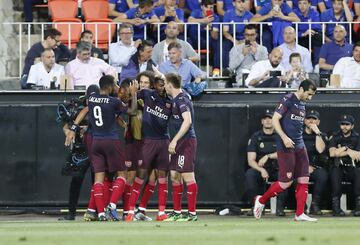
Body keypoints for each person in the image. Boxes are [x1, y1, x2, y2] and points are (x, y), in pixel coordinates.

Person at [65, 75, 138, 221]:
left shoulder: (92, 100)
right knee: (122, 174)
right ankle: (111, 206)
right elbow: (132, 111)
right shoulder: (114, 101)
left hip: (96, 142)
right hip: (111, 141)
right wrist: (134, 94)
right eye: (115, 84)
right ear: (111, 86)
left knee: (98, 178)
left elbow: (85, 110)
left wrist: (73, 128)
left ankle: (100, 213)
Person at [253, 79, 318, 222]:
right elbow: (275, 119)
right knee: (285, 183)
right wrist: (284, 138)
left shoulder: (303, 103)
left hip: (299, 146)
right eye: (309, 94)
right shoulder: (287, 99)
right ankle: (261, 200)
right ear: (301, 89)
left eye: (312, 95)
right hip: (285, 146)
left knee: (304, 179)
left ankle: (299, 214)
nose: (310, 98)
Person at [125, 76, 173, 222]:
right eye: (159, 85)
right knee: (141, 175)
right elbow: (131, 110)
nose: (162, 87)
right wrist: (133, 93)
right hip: (149, 141)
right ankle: (130, 212)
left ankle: (161, 213)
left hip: (164, 141)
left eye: (164, 85)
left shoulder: (171, 101)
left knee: (162, 176)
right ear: (154, 86)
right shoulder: (147, 94)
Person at [58, 85, 100, 221]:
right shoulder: (77, 107)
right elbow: (65, 126)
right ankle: (71, 213)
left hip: (96, 148)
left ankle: (99, 212)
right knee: (76, 180)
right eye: (89, 99)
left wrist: (85, 129)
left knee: (97, 182)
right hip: (80, 149)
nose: (91, 101)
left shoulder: (103, 107)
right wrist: (71, 132)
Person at [163, 73, 198, 221]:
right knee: (174, 176)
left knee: (187, 176)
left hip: (186, 141)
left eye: (165, 83)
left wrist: (174, 140)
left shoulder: (181, 100)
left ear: (170, 85)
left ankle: (192, 214)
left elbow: (187, 121)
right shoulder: (181, 95)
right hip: (180, 142)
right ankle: (177, 212)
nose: (164, 86)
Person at [244, 110, 288, 216]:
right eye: (265, 119)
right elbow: (251, 160)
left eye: (270, 118)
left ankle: (280, 208)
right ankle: (256, 206)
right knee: (250, 174)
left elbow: (285, 154)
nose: (268, 121)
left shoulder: (281, 135)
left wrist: (268, 156)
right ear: (262, 121)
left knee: (285, 175)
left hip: (278, 168)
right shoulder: (256, 136)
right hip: (261, 168)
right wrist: (262, 170)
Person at [328, 114, 360, 217]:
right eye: (342, 124)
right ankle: (336, 208)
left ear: (352, 126)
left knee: (358, 177)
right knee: (335, 181)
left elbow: (358, 155)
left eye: (347, 124)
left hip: (353, 166)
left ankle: (358, 207)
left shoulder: (357, 137)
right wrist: (348, 150)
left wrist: (340, 150)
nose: (344, 126)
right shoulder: (335, 136)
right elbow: (332, 154)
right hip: (338, 166)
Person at [303, 110, 329, 215]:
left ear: (318, 122)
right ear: (305, 121)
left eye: (314, 119)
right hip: (300, 167)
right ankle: (302, 205)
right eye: (309, 118)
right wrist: (305, 166)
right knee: (295, 177)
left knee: (322, 175)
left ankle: (315, 204)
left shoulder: (322, 135)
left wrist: (317, 133)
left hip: (315, 167)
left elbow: (320, 150)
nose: (311, 121)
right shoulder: (298, 134)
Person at [187, 0, 220, 69]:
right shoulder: (196, 12)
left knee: (218, 43)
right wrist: (203, 21)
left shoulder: (215, 17)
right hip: (194, 39)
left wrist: (210, 27)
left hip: (207, 41)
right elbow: (190, 20)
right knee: (186, 41)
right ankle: (187, 68)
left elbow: (215, 36)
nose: (209, 10)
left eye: (211, 8)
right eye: (207, 7)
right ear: (202, 7)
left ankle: (217, 70)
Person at [222, 0, 254, 68]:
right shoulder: (228, 14)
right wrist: (234, 40)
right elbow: (225, 31)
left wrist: (244, 40)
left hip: (246, 38)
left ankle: (248, 68)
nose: (241, 4)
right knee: (224, 44)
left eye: (243, 2)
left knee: (250, 46)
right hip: (231, 37)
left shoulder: (250, 15)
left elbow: (252, 32)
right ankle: (226, 69)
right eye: (239, 2)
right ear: (234, 3)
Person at [293, 0, 322, 65]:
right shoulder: (294, 13)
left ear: (309, 4)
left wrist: (309, 31)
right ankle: (300, 64)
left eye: (304, 3)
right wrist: (303, 34)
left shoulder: (314, 12)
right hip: (300, 37)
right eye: (300, 3)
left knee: (319, 37)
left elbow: (317, 27)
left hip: (311, 35)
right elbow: (292, 30)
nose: (302, 6)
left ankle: (317, 64)